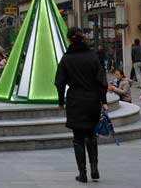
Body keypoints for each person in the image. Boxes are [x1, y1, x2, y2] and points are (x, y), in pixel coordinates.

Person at [55, 27, 108, 183]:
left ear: (69, 40)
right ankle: (94, 168)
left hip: (75, 101)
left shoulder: (66, 59)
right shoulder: (92, 57)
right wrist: (103, 101)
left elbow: (59, 82)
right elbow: (102, 80)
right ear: (83, 38)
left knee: (78, 138)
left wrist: (60, 101)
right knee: (92, 135)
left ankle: (82, 173)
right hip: (92, 100)